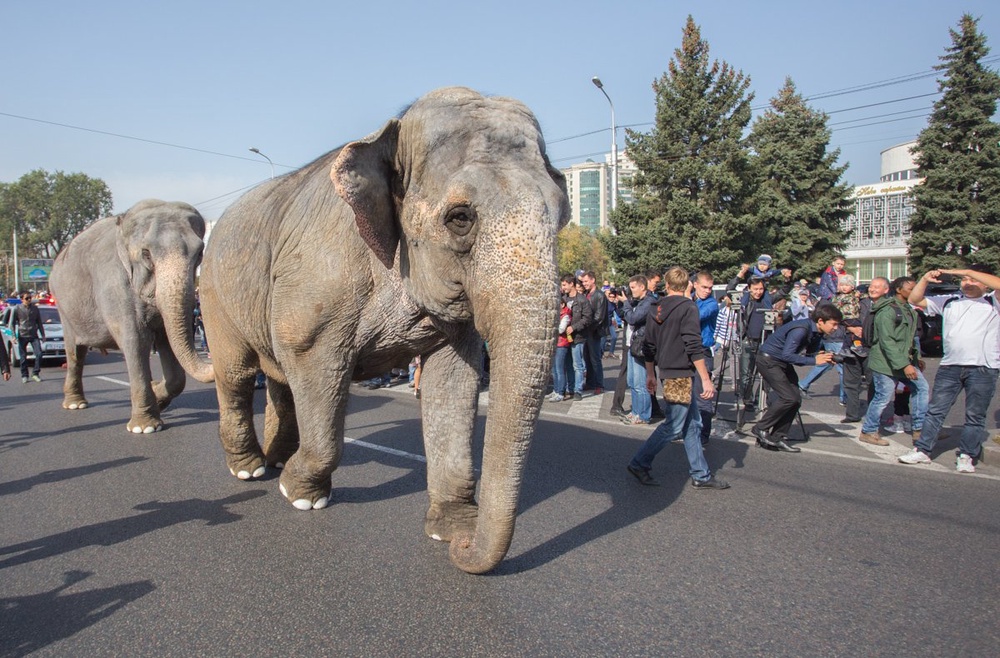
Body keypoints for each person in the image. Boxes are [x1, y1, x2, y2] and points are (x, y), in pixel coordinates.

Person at [626, 267, 729, 490]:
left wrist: (652, 374)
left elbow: (649, 345)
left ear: (667, 284)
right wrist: (706, 378)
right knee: (674, 426)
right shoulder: (687, 307)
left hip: (668, 370)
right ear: (688, 285)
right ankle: (639, 462)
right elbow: (693, 345)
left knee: (692, 424)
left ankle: (701, 474)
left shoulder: (656, 308)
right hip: (682, 372)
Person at [900, 266, 1000, 472]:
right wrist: (925, 279)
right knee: (936, 410)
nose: (968, 283)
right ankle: (923, 450)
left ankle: (966, 455)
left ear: (983, 283)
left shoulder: (992, 300)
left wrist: (967, 271)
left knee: (975, 415)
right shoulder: (950, 300)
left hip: (983, 368)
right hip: (950, 366)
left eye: (972, 279)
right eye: (964, 280)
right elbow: (915, 300)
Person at [749, 304, 843, 453]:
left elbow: (811, 352)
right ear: (820, 321)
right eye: (834, 324)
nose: (836, 328)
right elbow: (788, 355)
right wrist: (815, 361)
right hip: (769, 360)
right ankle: (760, 428)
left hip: (781, 362)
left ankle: (777, 437)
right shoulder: (801, 329)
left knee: (796, 399)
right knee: (788, 398)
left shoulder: (817, 332)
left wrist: (826, 355)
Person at [858, 277, 929, 447]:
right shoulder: (888, 310)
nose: (915, 292)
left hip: (903, 361)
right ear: (898, 289)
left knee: (921, 388)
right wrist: (904, 365)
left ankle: (920, 430)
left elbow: (909, 339)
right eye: (911, 289)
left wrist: (916, 358)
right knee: (883, 396)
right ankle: (868, 431)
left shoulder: (908, 309)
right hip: (885, 362)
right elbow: (886, 341)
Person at [799, 274, 857, 402]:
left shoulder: (854, 298)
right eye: (842, 284)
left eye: (847, 284)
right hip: (835, 337)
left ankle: (803, 384)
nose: (844, 287)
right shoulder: (834, 299)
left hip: (842, 336)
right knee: (842, 367)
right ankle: (844, 398)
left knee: (827, 363)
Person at [840, 277, 890, 423]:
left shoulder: (888, 307)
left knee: (873, 383)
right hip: (851, 346)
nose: (872, 289)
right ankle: (852, 415)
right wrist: (850, 327)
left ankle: (873, 416)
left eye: (877, 287)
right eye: (871, 286)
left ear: (886, 290)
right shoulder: (859, 302)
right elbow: (839, 317)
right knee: (850, 383)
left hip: (873, 349)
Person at [724, 276, 774, 411]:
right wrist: (740, 275)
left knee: (767, 373)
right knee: (746, 374)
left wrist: (786, 280)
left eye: (761, 289)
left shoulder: (767, 300)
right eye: (755, 289)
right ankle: (747, 399)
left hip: (764, 341)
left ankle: (759, 397)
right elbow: (729, 289)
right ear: (749, 289)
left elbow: (783, 292)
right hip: (747, 340)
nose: (758, 292)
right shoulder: (745, 300)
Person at [618, 275, 655, 425]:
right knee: (632, 381)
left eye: (633, 287)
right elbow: (624, 315)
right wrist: (621, 304)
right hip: (632, 344)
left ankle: (644, 415)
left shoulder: (649, 301)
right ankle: (635, 412)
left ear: (642, 287)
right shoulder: (636, 301)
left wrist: (626, 303)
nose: (630, 290)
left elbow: (633, 318)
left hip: (641, 345)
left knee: (640, 383)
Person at [690, 271, 719, 443]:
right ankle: (688, 429)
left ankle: (703, 435)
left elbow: (693, 317)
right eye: (704, 287)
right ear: (695, 284)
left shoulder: (712, 304)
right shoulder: (691, 299)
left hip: (702, 351)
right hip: (687, 351)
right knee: (687, 395)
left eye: (710, 288)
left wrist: (686, 298)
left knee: (703, 395)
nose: (707, 291)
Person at [561, 274, 592, 401]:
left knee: (577, 365)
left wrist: (574, 327)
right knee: (567, 365)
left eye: (564, 285)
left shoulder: (582, 300)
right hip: (564, 338)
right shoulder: (563, 299)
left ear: (571, 284)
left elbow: (587, 318)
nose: (563, 288)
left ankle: (578, 390)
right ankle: (570, 388)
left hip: (577, 337)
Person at [581, 271, 608, 394]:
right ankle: (590, 382)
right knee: (587, 357)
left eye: (586, 281)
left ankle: (599, 384)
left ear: (593, 280)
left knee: (595, 358)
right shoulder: (586, 294)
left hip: (595, 331)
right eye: (583, 282)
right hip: (586, 331)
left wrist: (587, 325)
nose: (584, 284)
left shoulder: (599, 295)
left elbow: (599, 317)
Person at [13, 292, 45, 383]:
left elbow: (39, 322)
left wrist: (43, 335)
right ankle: (24, 375)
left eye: (30, 298)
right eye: (27, 298)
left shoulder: (35, 308)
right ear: (22, 299)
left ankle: (35, 373)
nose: (29, 300)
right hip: (22, 335)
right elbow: (11, 323)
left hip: (34, 335)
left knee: (39, 354)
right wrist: (13, 336)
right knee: (23, 357)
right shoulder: (17, 308)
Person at [549, 299, 573, 402]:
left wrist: (552, 327)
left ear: (562, 304)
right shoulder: (558, 315)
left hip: (562, 344)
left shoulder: (566, 315)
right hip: (556, 343)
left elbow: (561, 329)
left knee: (560, 369)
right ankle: (556, 389)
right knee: (554, 369)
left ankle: (561, 392)